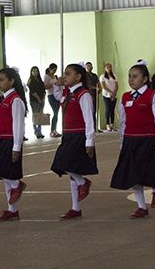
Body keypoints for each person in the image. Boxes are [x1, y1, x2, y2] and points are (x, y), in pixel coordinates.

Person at [111, 62, 155, 218]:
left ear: (145, 79)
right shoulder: (125, 97)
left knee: (149, 171)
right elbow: (122, 121)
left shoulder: (153, 96)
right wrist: (122, 141)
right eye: (129, 76)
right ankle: (141, 207)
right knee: (132, 174)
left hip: (148, 140)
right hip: (130, 140)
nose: (131, 79)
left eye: (135, 76)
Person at [50, 64, 97, 220]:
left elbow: (89, 120)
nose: (65, 76)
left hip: (79, 135)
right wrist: (57, 85)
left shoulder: (83, 95)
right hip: (67, 135)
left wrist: (89, 141)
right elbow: (58, 97)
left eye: (68, 74)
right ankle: (75, 208)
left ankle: (83, 182)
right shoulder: (67, 93)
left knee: (62, 163)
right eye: (64, 73)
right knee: (71, 170)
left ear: (78, 77)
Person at [0, 68, 28, 222]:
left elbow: (18, 125)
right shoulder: (0, 100)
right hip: (2, 140)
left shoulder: (15, 100)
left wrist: (16, 146)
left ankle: (17, 185)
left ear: (12, 81)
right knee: (5, 174)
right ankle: (12, 210)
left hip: (11, 140)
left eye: (2, 80)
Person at [27, 66, 46, 139]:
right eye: (34, 71)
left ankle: (40, 131)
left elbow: (44, 90)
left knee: (40, 115)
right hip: (34, 100)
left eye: (36, 71)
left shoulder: (40, 80)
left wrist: (43, 99)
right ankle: (36, 131)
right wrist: (38, 98)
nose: (35, 72)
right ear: (31, 72)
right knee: (35, 115)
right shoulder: (30, 80)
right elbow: (32, 91)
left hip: (42, 100)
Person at [44, 63, 62, 138]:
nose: (54, 72)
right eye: (53, 70)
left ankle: (55, 129)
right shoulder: (46, 76)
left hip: (57, 95)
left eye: (56, 70)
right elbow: (45, 86)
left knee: (56, 113)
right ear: (50, 69)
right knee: (55, 112)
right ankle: (52, 130)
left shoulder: (55, 76)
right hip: (51, 95)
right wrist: (53, 84)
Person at [100, 63, 118, 132]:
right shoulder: (102, 76)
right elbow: (103, 86)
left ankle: (112, 125)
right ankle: (107, 124)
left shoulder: (114, 76)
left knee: (112, 110)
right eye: (107, 67)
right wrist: (111, 93)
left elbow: (116, 85)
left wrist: (114, 94)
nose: (109, 68)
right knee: (107, 109)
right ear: (105, 68)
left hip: (113, 95)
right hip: (106, 95)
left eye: (110, 67)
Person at [85, 62, 100, 130]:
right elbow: (86, 85)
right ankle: (89, 127)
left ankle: (95, 127)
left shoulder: (94, 75)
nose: (89, 67)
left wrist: (99, 89)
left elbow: (98, 84)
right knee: (89, 111)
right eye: (88, 66)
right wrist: (94, 88)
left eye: (90, 66)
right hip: (88, 94)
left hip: (95, 95)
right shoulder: (84, 75)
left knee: (94, 111)